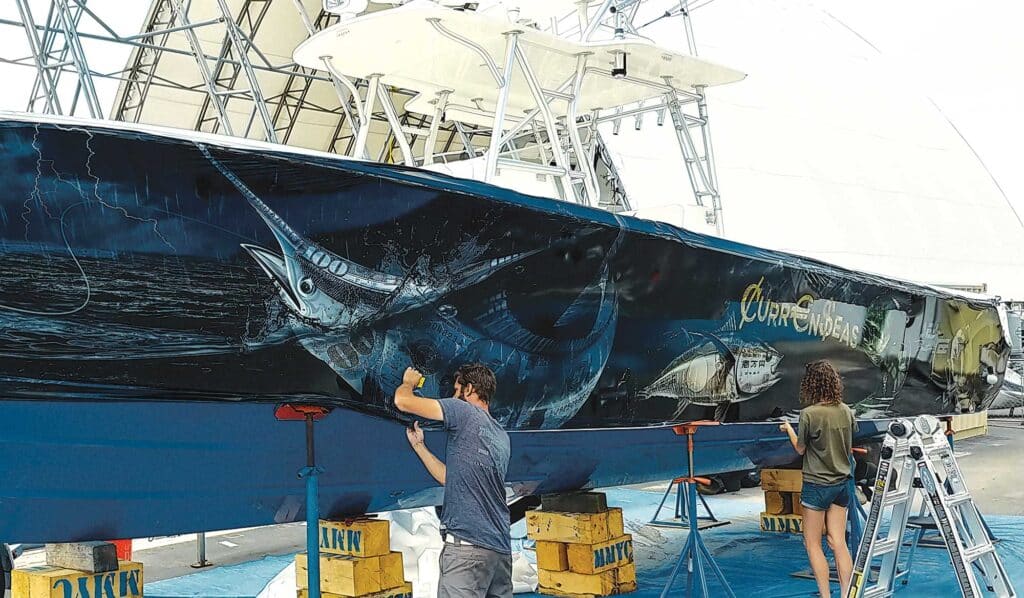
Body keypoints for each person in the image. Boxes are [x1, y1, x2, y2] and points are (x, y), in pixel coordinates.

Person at [394, 363, 512, 598]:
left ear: (469, 389)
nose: (452, 396)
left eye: (456, 390)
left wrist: (408, 382)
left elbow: (403, 402)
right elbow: (452, 478)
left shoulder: (463, 411)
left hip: (467, 550)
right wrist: (420, 447)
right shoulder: (501, 436)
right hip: (498, 551)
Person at [779, 360, 858, 598]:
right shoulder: (846, 410)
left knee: (812, 544)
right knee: (838, 542)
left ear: (811, 385)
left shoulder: (809, 414)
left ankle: (825, 596)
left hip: (816, 485)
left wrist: (789, 429)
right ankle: (847, 594)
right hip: (842, 485)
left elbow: (800, 449)